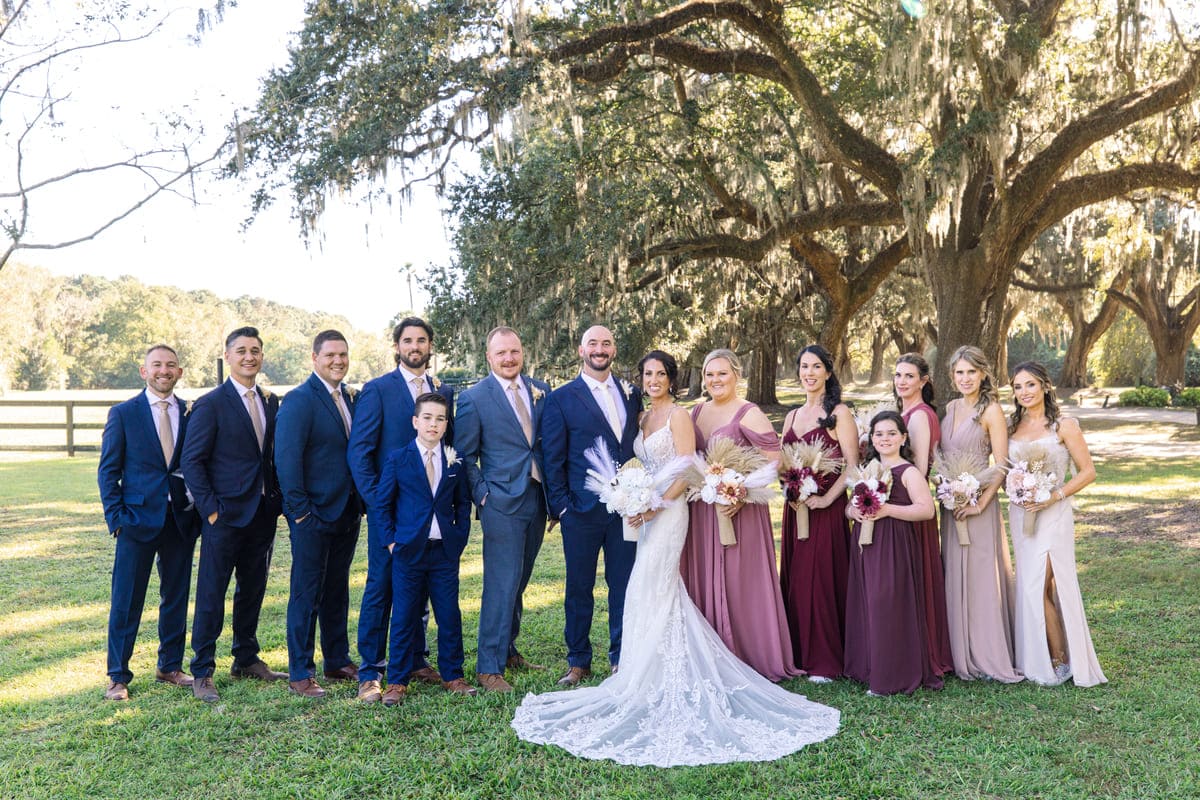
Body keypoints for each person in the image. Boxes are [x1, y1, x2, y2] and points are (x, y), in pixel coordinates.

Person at [512, 351, 840, 766]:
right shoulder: (644, 417)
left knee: (654, 584)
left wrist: (653, 505)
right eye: (647, 373)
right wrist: (632, 496)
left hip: (670, 513)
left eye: (661, 373)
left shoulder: (681, 416)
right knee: (644, 589)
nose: (653, 379)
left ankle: (659, 671)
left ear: (672, 378)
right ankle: (641, 670)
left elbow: (685, 467)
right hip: (648, 513)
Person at [347, 317, 453, 703]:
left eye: (421, 340)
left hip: (430, 517)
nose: (415, 346)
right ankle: (371, 671)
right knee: (381, 586)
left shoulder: (441, 392)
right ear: (397, 346)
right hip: (389, 513)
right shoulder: (377, 390)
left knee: (419, 585)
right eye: (408, 340)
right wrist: (378, 504)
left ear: (429, 347)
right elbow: (359, 452)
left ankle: (413, 659)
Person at [681, 348, 799, 681]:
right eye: (709, 374)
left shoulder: (749, 413)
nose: (715, 380)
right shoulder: (696, 412)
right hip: (703, 509)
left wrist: (740, 490)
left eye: (722, 373)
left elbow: (774, 462)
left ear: (736, 375)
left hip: (739, 511)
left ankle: (748, 653)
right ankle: (711, 654)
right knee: (705, 576)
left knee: (737, 579)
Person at [182, 326, 286, 702]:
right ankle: (202, 670)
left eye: (255, 350)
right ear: (227, 356)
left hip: (261, 513)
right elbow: (191, 461)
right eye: (241, 350)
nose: (249, 356)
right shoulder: (211, 403)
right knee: (212, 592)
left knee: (252, 589)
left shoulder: (271, 401)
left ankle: (245, 658)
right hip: (223, 517)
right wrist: (210, 510)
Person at [97, 344, 201, 700]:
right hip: (136, 520)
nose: (164, 370)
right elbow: (108, 471)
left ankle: (169, 666)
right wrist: (117, 519)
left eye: (171, 365)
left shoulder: (191, 412)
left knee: (176, 595)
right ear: (144, 371)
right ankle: (118, 676)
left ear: (179, 372)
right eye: (156, 365)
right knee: (127, 599)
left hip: (181, 520)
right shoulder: (124, 414)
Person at [541, 324, 642, 686]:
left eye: (607, 343)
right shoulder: (561, 398)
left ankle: (621, 656)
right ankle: (578, 660)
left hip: (626, 511)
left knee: (624, 584)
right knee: (579, 587)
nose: (600, 349)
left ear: (614, 350)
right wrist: (562, 508)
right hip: (580, 512)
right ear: (581, 350)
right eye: (593, 344)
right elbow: (551, 457)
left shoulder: (632, 394)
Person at [453, 326, 551, 693]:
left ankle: (509, 649)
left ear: (522, 351)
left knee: (520, 579)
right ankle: (488, 667)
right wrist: (482, 495)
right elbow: (464, 455)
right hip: (500, 502)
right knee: (501, 582)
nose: (509, 359)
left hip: (537, 496)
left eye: (514, 351)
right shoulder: (475, 398)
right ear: (489, 357)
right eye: (501, 353)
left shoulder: (541, 389)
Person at [274, 330, 364, 698]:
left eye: (343, 355)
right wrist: (299, 514)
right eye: (330, 355)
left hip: (346, 511)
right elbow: (286, 460)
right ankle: (300, 672)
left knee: (337, 589)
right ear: (314, 358)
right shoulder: (299, 400)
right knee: (305, 593)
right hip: (311, 514)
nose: (338, 361)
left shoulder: (350, 398)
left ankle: (337, 660)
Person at [1008, 362, 1107, 687]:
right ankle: (1046, 656)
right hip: (1023, 515)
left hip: (1054, 514)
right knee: (1033, 586)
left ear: (1045, 386)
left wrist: (1054, 495)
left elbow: (1088, 471)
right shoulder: (1012, 426)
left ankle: (1061, 661)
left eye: (1030, 385)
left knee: (1046, 584)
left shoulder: (1064, 425)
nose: (1024, 392)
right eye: (1018, 387)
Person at [378, 393, 476, 705]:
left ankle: (453, 674)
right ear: (415, 422)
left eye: (440, 419)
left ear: (447, 424)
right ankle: (396, 680)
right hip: (408, 551)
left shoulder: (454, 460)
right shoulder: (398, 458)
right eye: (428, 418)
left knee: (448, 613)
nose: (433, 424)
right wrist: (393, 542)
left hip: (444, 552)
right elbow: (382, 505)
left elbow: (462, 503)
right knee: (405, 615)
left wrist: (458, 538)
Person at [844, 411, 942, 696]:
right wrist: (855, 512)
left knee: (886, 604)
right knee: (867, 604)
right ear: (871, 438)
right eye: (878, 434)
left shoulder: (908, 471)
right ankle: (869, 667)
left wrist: (886, 510)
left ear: (903, 437)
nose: (884, 439)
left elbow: (926, 509)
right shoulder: (867, 469)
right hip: (865, 544)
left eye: (891, 433)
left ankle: (893, 674)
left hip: (894, 545)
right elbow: (848, 508)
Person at [940, 345, 1022, 683]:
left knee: (981, 580)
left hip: (979, 507)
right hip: (951, 506)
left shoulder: (992, 411)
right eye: (959, 372)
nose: (965, 378)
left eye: (971, 372)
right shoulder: (949, 407)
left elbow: (1002, 464)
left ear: (983, 374)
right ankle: (959, 651)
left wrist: (980, 503)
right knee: (954, 576)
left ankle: (988, 654)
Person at [779, 344, 858, 682]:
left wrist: (826, 501)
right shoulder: (791, 416)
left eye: (815, 367)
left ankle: (826, 658)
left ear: (828, 371)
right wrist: (789, 488)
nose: (808, 373)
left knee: (823, 580)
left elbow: (852, 467)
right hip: (796, 507)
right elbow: (782, 463)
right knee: (797, 578)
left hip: (826, 508)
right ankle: (797, 653)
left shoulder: (839, 413)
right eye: (804, 367)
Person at [893, 352, 955, 677]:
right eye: (898, 375)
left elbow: (916, 470)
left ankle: (918, 652)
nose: (902, 381)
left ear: (923, 380)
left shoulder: (918, 416)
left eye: (909, 376)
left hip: (910, 506)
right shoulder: (903, 412)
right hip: (899, 505)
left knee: (911, 579)